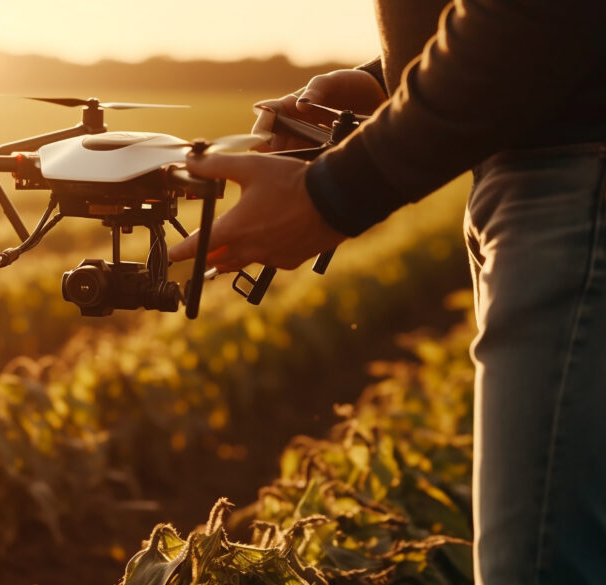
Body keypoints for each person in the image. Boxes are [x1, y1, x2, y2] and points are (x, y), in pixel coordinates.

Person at [169, 1, 606, 583]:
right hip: (553, 172)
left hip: (575, 183)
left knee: (540, 564)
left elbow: (544, 13)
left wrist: (334, 194)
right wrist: (395, 74)